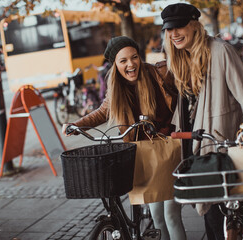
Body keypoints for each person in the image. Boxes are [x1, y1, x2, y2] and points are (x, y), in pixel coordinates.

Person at [160, 3, 243, 240]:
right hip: (196, 150)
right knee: (225, 217)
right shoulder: (178, 59)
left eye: (180, 26)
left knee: (220, 220)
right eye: (168, 29)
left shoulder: (220, 52)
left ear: (194, 25)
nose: (173, 33)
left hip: (220, 150)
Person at [62, 36, 187, 240]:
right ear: (115, 65)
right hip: (144, 154)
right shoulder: (116, 86)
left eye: (134, 57)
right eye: (123, 60)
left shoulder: (157, 74)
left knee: (171, 215)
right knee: (157, 216)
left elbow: (185, 92)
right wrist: (76, 125)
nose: (131, 64)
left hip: (168, 149)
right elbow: (103, 112)